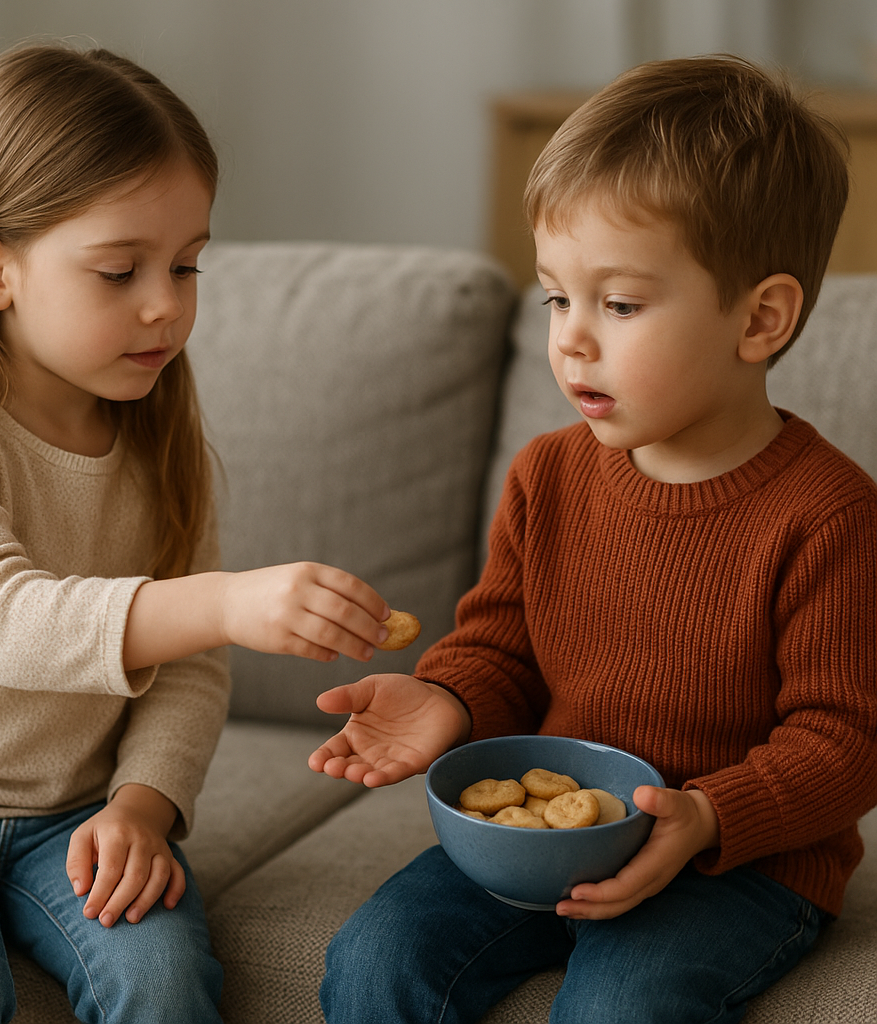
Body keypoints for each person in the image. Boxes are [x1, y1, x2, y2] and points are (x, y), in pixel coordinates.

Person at [309, 55, 877, 1024]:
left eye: (616, 303)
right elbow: (500, 648)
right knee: (372, 960)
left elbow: (847, 739)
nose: (570, 338)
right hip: (538, 844)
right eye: (555, 297)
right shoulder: (547, 475)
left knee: (618, 1008)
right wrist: (445, 696)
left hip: (733, 865)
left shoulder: (829, 514)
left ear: (760, 317)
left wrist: (707, 816)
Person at [0, 44, 393, 1024]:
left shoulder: (155, 447)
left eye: (187, 265)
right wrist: (225, 601)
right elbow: (3, 620)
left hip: (75, 810)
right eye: (119, 270)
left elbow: (187, 670)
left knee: (163, 977)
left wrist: (143, 802)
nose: (166, 304)